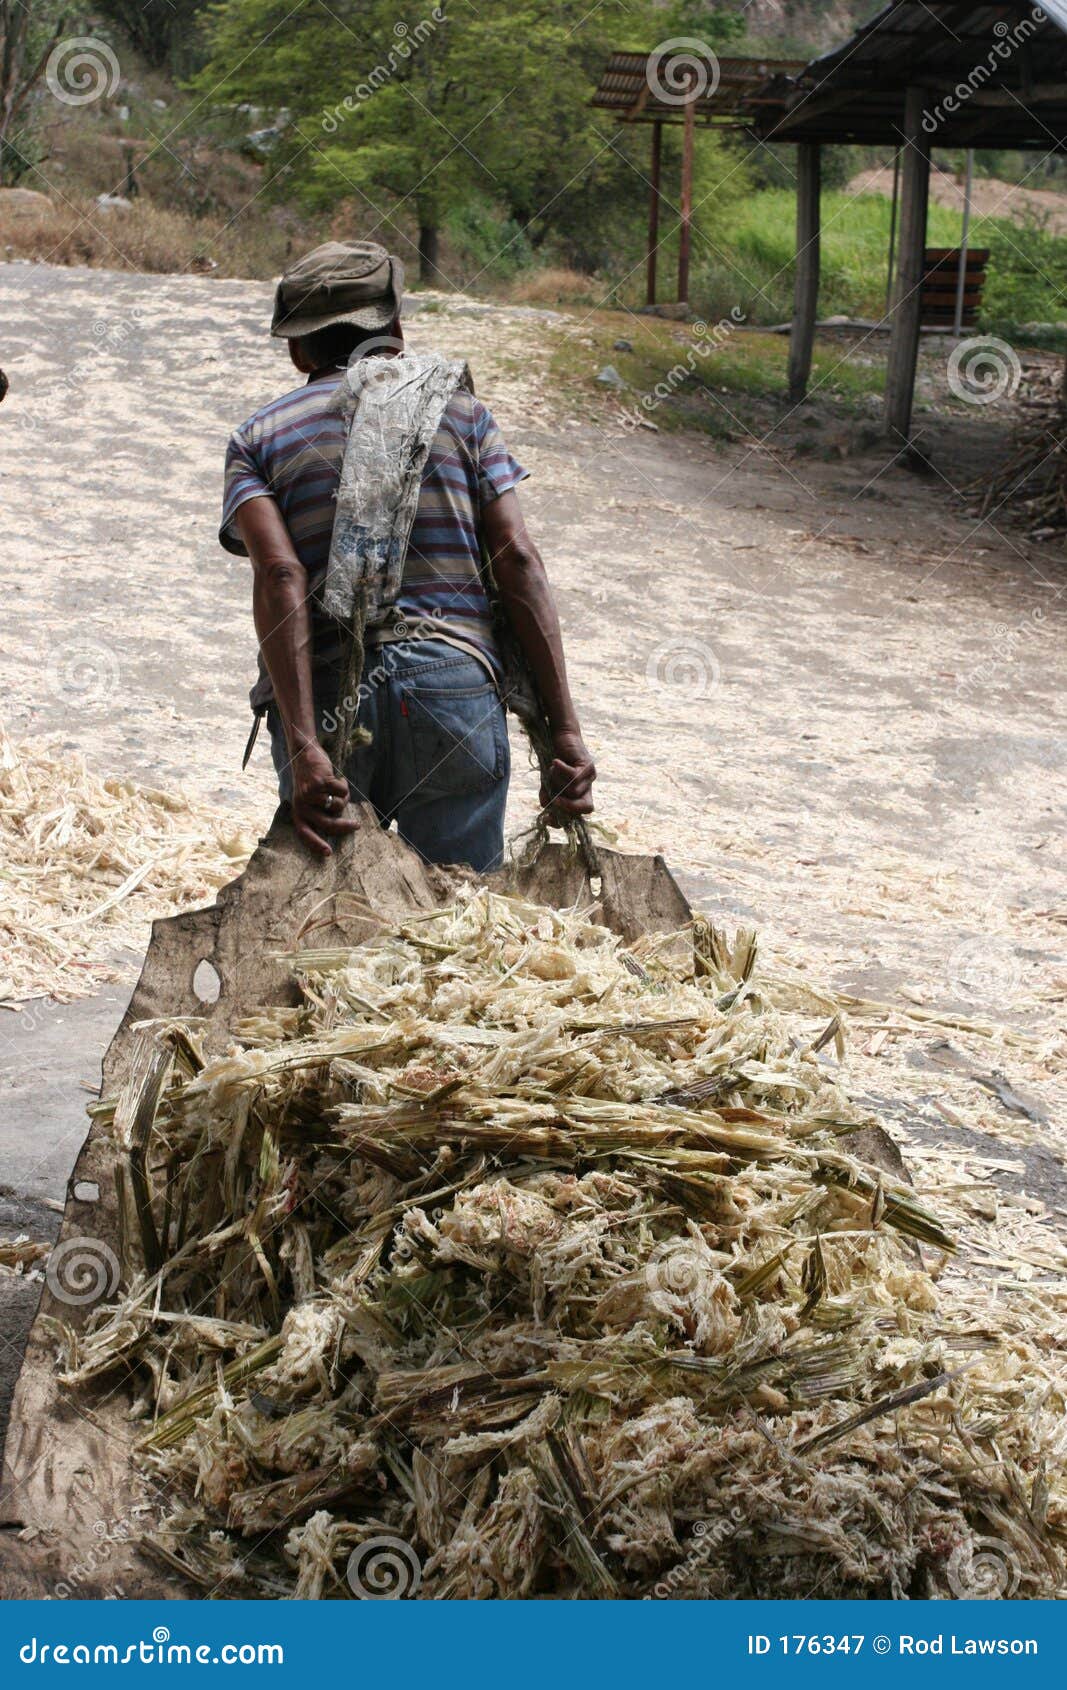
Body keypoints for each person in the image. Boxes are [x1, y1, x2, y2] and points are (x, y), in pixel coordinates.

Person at [220, 240, 595, 871]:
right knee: (456, 925)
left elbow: (282, 574)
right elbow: (519, 561)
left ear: (296, 349)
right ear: (395, 329)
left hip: (333, 699)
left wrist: (307, 744)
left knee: (331, 920)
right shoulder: (465, 416)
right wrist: (564, 730)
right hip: (453, 693)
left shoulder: (258, 438)